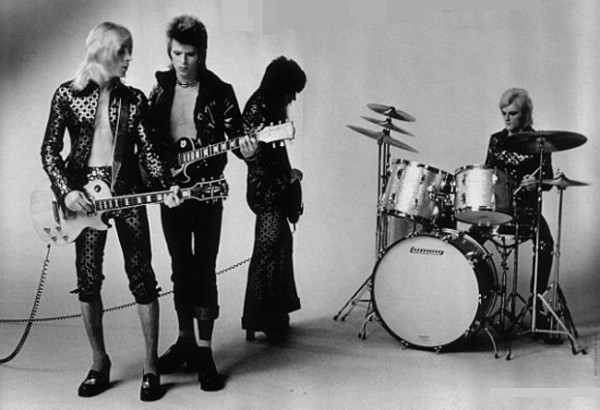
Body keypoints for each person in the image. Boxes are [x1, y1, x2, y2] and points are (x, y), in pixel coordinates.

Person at [41, 22, 179, 401]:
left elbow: (150, 153)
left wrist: (165, 186)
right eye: (122, 50)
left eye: (130, 50)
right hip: (84, 199)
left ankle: (151, 366)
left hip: (127, 192)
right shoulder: (67, 95)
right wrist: (66, 192)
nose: (129, 58)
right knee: (87, 280)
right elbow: (50, 150)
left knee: (142, 276)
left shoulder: (134, 99)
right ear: (100, 51)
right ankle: (99, 363)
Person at [147, 15, 256, 391]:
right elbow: (148, 142)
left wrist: (248, 150)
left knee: (204, 268)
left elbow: (238, 138)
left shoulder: (220, 91)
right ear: (170, 52)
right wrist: (157, 179)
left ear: (202, 54)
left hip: (208, 193)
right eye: (177, 53)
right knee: (179, 268)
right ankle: (185, 342)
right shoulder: (160, 89)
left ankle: (205, 351)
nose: (182, 61)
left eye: (190, 54)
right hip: (171, 194)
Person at [241, 56, 306, 343]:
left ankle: (269, 317)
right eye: (291, 91)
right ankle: (261, 319)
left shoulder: (267, 106)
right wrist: (286, 180)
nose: (293, 98)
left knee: (277, 250)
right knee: (268, 255)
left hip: (272, 191)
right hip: (265, 192)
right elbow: (257, 162)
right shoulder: (259, 108)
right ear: (281, 87)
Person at [480, 88, 555, 325]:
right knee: (469, 242)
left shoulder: (541, 142)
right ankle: (474, 302)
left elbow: (549, 181)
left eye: (512, 113)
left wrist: (537, 183)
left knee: (546, 243)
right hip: (499, 209)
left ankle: (537, 303)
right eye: (503, 113)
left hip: (527, 211)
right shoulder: (496, 140)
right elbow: (487, 175)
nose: (506, 118)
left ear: (525, 114)